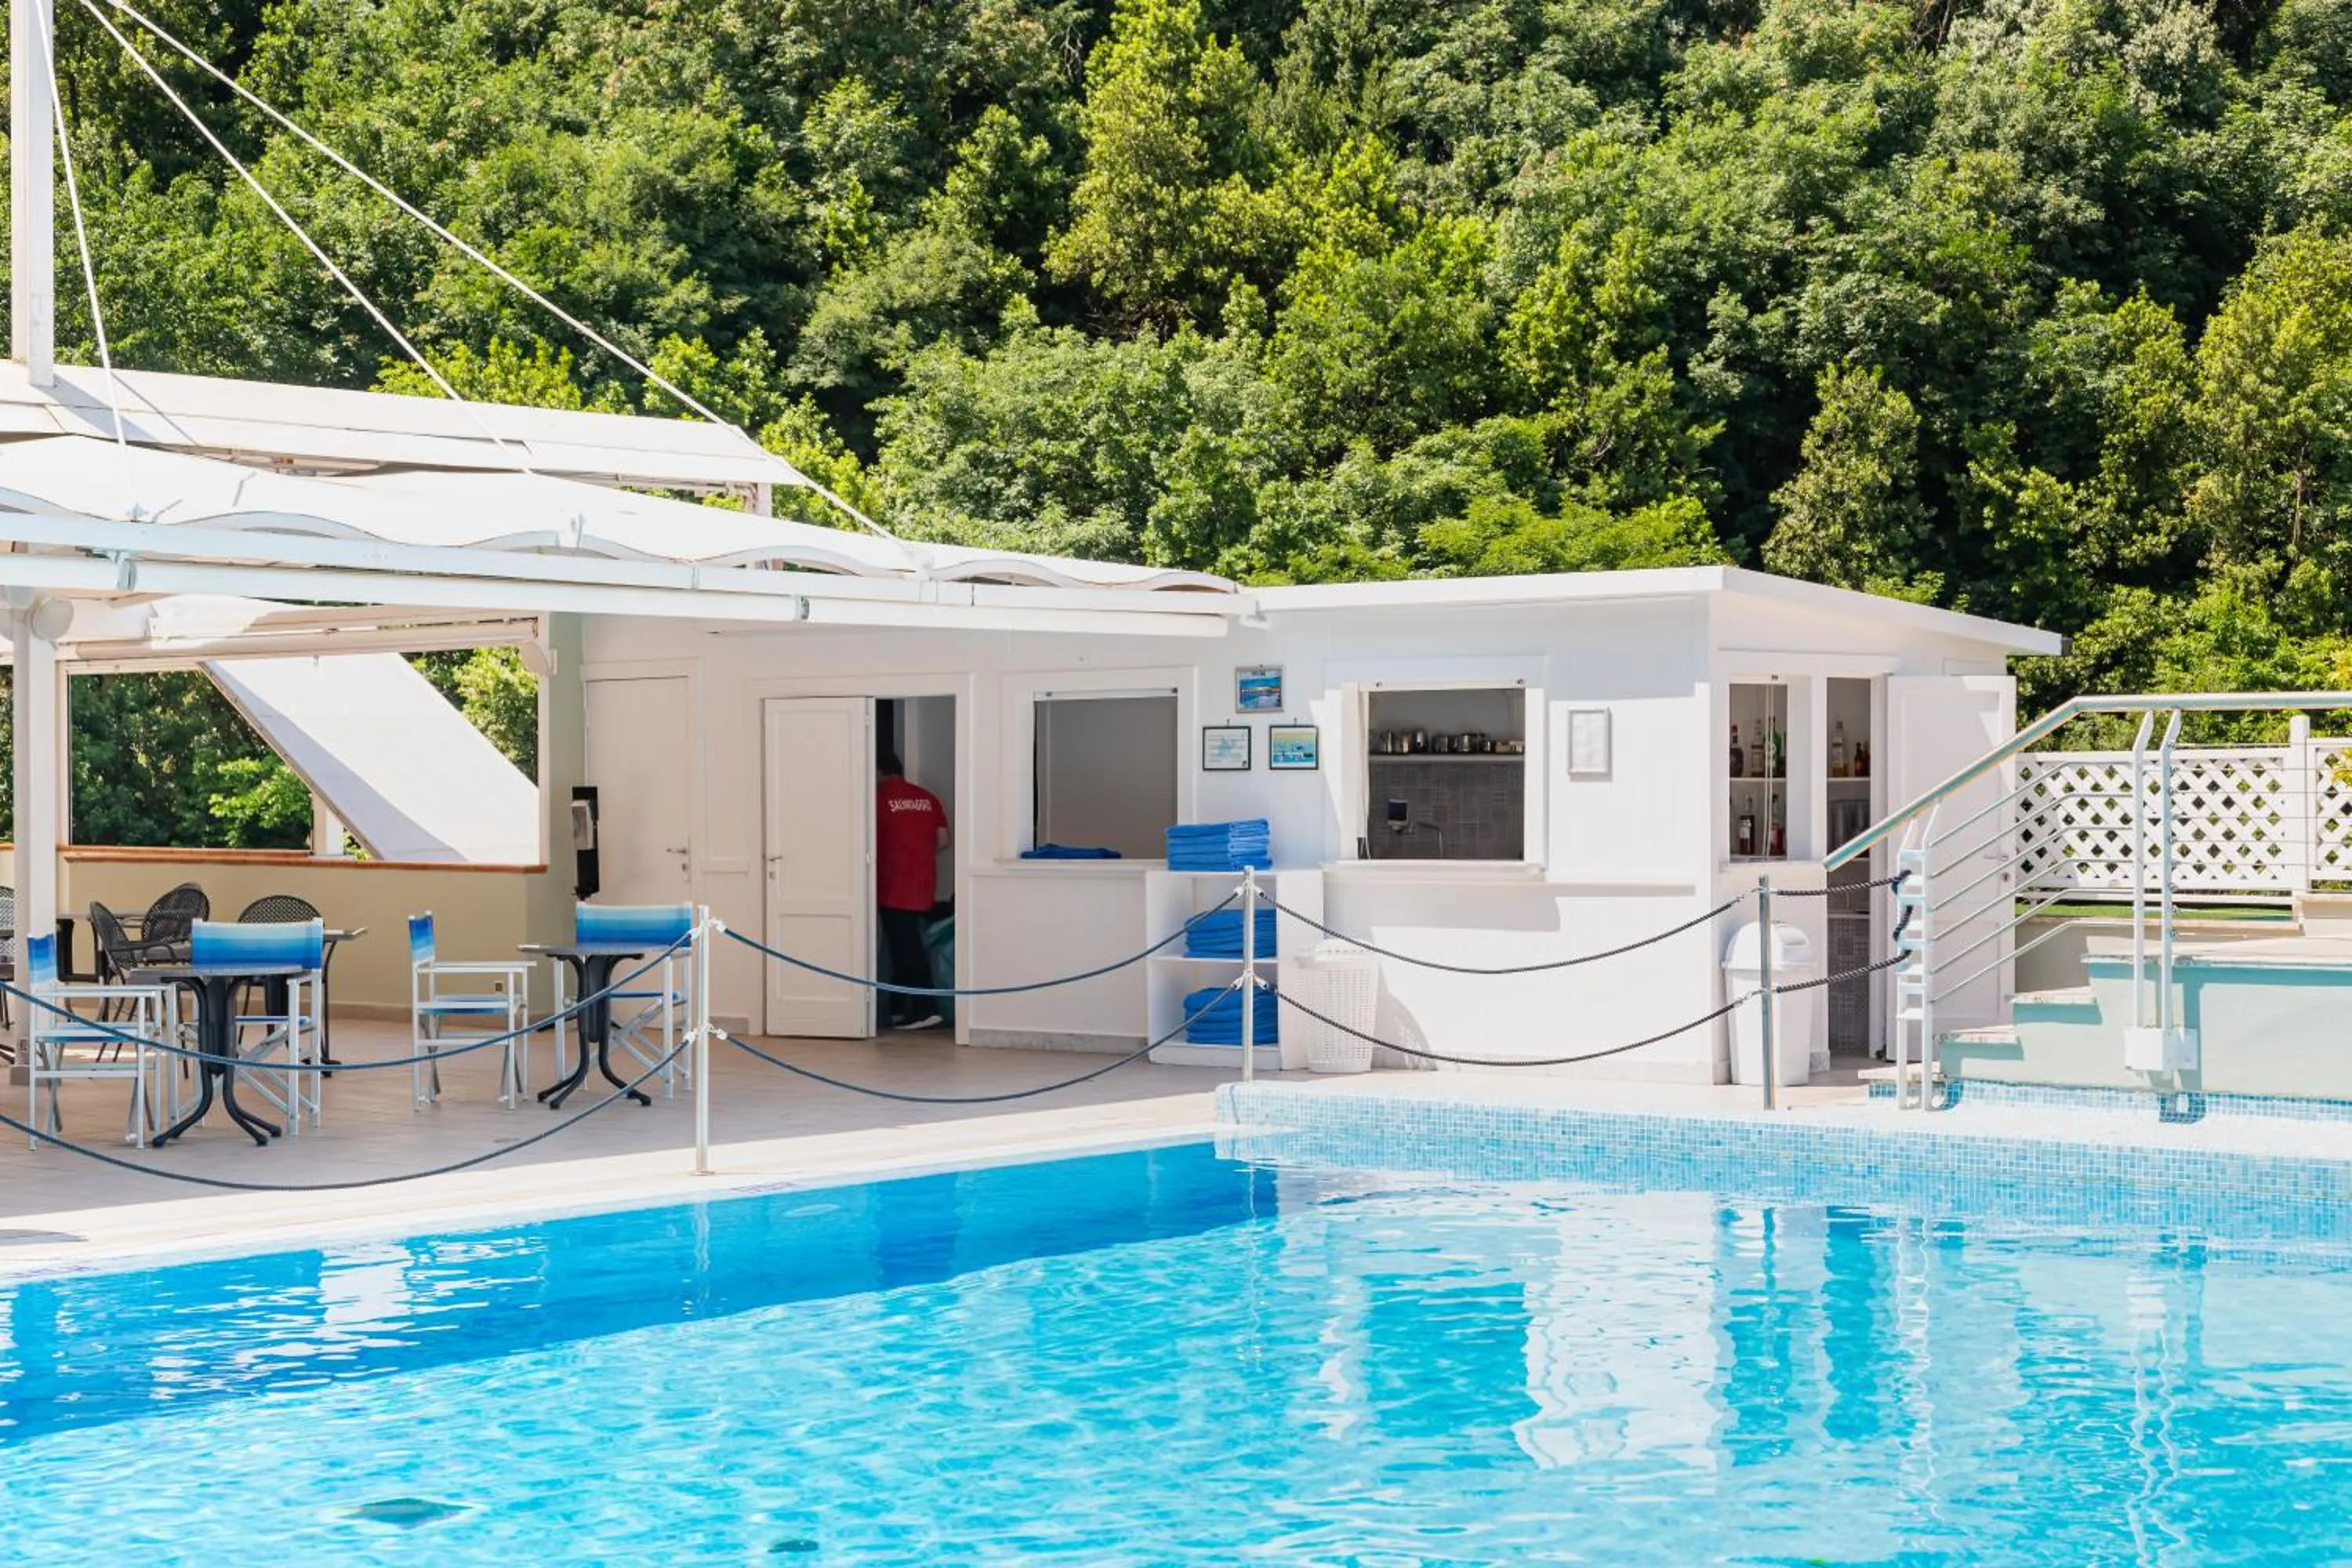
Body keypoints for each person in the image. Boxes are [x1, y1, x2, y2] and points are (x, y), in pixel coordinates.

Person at [877, 751, 949, 1030]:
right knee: (907, 946)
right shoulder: (927, 798)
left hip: (893, 884)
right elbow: (944, 840)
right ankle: (902, 1007)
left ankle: (924, 1008)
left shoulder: (878, 799)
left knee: (905, 950)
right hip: (922, 883)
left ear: (878, 770)